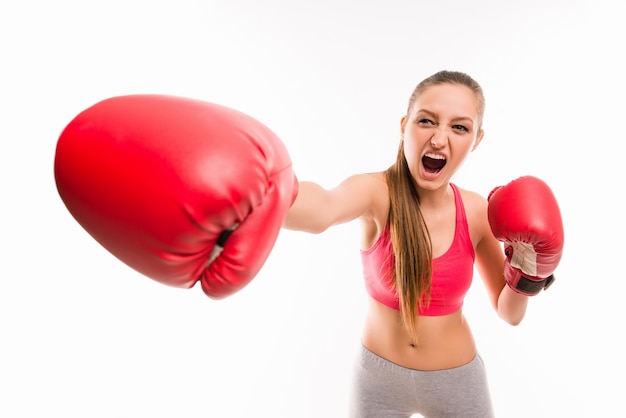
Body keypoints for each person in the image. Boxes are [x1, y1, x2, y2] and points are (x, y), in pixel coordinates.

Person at [282, 70, 563, 417]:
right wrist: (261, 196)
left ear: (476, 140)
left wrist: (528, 272)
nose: (439, 139)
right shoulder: (375, 193)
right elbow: (322, 207)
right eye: (427, 121)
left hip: (457, 381)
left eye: (459, 127)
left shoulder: (476, 212)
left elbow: (509, 313)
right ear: (404, 125)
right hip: (378, 379)